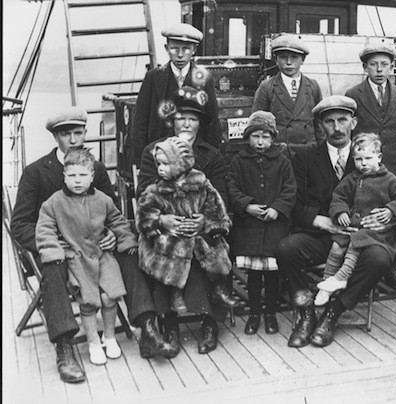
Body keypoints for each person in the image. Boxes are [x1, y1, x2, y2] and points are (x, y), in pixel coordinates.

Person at [10, 107, 174, 384]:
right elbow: (21, 224)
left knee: (128, 252)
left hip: (95, 245)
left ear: (85, 133)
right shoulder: (36, 172)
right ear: (55, 137)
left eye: (78, 133)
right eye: (66, 134)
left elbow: (110, 209)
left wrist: (110, 232)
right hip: (55, 247)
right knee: (53, 267)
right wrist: (51, 244)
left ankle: (147, 329)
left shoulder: (94, 168)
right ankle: (65, 346)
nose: (73, 140)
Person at [276, 95, 396, 348]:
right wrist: (321, 221)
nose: (337, 127)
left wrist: (388, 218)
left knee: (379, 260)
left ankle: (333, 313)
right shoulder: (306, 158)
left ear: (353, 122)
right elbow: (294, 206)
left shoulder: (369, 155)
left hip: (366, 238)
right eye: (329, 122)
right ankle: (306, 314)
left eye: (343, 120)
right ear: (320, 126)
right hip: (325, 236)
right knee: (286, 249)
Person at [136, 86, 236, 355]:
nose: (187, 123)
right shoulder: (153, 152)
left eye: (193, 118)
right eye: (181, 117)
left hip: (199, 226)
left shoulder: (211, 155)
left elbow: (220, 198)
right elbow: (143, 195)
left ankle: (209, 322)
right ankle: (169, 324)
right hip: (163, 229)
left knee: (207, 245)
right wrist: (163, 220)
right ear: (172, 120)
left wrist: (205, 221)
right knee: (165, 249)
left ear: (200, 123)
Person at [36, 149, 138, 366]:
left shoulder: (103, 200)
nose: (77, 181)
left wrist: (125, 241)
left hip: (102, 256)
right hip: (77, 259)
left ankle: (109, 337)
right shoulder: (54, 203)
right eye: (72, 175)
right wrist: (54, 252)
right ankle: (93, 342)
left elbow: (118, 222)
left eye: (83, 175)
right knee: (89, 301)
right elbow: (44, 230)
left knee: (110, 296)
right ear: (64, 175)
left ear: (92, 176)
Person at [137, 137, 233, 317]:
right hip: (167, 237)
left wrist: (206, 222)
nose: (160, 168)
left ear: (181, 164)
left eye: (165, 164)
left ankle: (217, 287)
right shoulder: (155, 190)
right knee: (177, 246)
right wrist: (160, 221)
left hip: (197, 234)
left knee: (212, 246)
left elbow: (216, 208)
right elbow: (143, 216)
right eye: (158, 163)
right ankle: (175, 292)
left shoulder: (201, 184)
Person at [315, 133, 396, 306]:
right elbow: (339, 197)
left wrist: (390, 210)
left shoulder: (390, 180)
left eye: (368, 158)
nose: (364, 163)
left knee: (355, 244)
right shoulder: (352, 179)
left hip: (377, 232)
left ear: (379, 157)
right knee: (336, 246)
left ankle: (341, 277)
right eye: (359, 159)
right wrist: (340, 212)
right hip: (354, 227)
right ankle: (327, 283)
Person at [227, 111, 297, 335]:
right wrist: (246, 205)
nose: (260, 142)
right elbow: (232, 187)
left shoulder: (282, 161)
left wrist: (277, 208)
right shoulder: (239, 161)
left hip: (274, 227)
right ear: (248, 137)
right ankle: (255, 313)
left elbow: (290, 189)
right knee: (254, 275)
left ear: (272, 138)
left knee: (273, 274)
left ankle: (271, 313)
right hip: (249, 228)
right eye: (256, 136)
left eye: (265, 137)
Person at [131, 22, 220, 167]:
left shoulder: (205, 79)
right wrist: (140, 164)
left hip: (195, 160)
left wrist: (212, 162)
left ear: (194, 50)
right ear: (166, 48)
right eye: (174, 48)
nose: (179, 55)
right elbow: (140, 123)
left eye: (185, 49)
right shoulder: (153, 78)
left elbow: (212, 125)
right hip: (159, 159)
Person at [252, 33, 324, 158]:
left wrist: (321, 151)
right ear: (276, 60)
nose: (289, 62)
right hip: (278, 154)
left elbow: (320, 124)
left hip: (308, 153)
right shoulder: (267, 87)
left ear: (303, 60)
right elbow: (257, 124)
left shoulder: (313, 86)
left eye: (294, 57)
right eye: (283, 57)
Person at [345, 44, 396, 179]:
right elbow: (349, 132)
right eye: (373, 64)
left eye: (384, 64)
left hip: (394, 166)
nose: (379, 70)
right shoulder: (353, 95)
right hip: (365, 166)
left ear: (392, 67)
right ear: (365, 67)